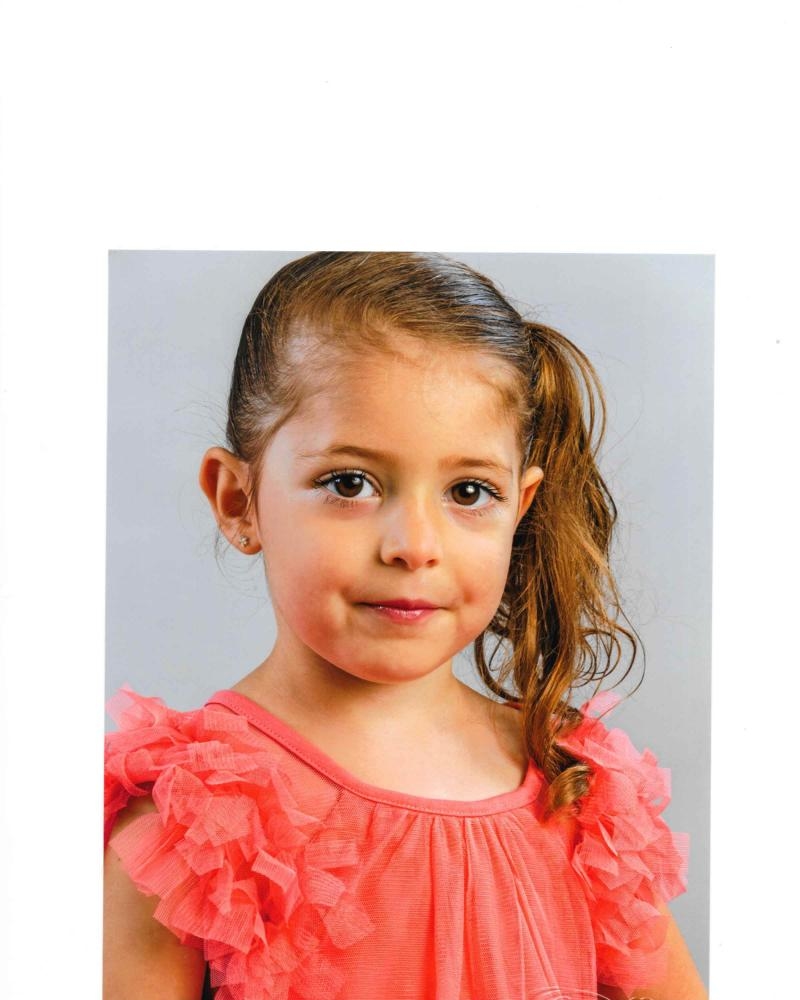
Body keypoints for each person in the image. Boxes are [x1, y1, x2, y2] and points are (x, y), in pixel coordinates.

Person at [103, 251, 707, 1000]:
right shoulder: (191, 819)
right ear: (238, 500)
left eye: (469, 491)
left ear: (519, 508)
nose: (414, 546)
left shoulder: (577, 792)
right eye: (349, 483)